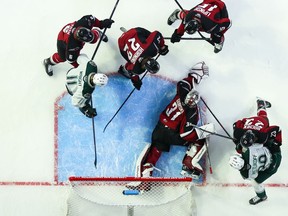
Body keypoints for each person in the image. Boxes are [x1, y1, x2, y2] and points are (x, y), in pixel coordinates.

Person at [139, 62, 214, 179]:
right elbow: (186, 134)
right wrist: (203, 132)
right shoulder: (193, 112)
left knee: (157, 148)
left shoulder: (183, 93)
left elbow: (183, 83)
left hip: (159, 128)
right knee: (201, 140)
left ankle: (146, 172)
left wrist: (193, 77)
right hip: (171, 134)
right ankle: (189, 164)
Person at [229, 98, 282, 205]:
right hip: (252, 123)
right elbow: (236, 124)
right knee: (262, 117)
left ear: (256, 140)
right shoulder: (239, 133)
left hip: (261, 128)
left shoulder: (263, 135)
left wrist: (276, 144)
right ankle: (261, 103)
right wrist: (238, 135)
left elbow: (277, 129)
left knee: (256, 182)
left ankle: (262, 197)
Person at [43, 15, 114, 76]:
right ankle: (48, 61)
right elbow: (71, 60)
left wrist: (101, 23)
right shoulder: (73, 46)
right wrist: (83, 68)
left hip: (72, 30)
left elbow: (93, 19)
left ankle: (97, 33)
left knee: (94, 38)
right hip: (63, 38)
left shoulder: (86, 21)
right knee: (62, 57)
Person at [167, 0, 231, 53]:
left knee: (216, 34)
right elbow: (184, 22)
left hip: (220, 7)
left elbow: (228, 22)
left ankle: (219, 40)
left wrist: (219, 33)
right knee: (187, 14)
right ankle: (177, 13)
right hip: (207, 2)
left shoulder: (210, 26)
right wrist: (178, 33)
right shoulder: (189, 17)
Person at [65, 54, 108, 118]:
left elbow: (80, 57)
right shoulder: (87, 90)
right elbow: (75, 102)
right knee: (86, 99)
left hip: (70, 73)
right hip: (70, 87)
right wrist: (83, 105)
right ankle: (85, 109)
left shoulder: (91, 66)